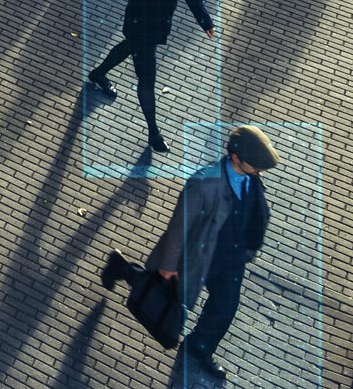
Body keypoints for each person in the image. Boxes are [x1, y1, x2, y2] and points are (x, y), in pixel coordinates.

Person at [101, 125, 279, 381]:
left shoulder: (251, 178)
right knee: (163, 293)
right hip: (199, 258)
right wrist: (169, 265)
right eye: (256, 165)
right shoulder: (204, 183)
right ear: (236, 158)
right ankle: (124, 269)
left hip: (231, 259)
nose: (261, 170)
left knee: (225, 307)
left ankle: (199, 347)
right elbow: (179, 227)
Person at [87, 0, 215, 154]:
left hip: (158, 24)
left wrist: (204, 20)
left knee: (127, 48)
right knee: (146, 80)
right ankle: (153, 132)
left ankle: (98, 74)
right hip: (140, 23)